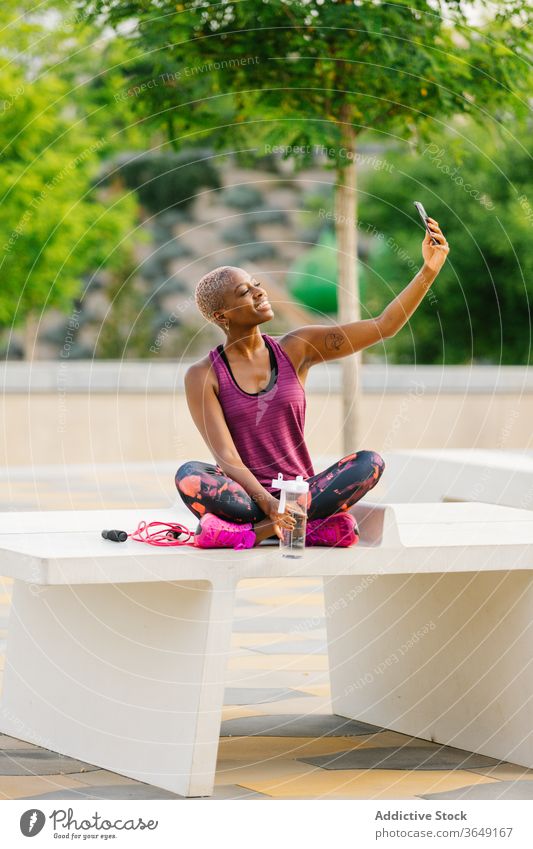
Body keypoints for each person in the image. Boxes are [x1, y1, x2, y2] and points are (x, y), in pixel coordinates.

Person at [176, 217, 449, 549]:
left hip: (302, 491)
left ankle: (255, 533)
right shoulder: (203, 374)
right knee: (190, 475)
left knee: (369, 463)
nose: (260, 291)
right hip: (248, 498)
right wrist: (270, 506)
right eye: (245, 291)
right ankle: (304, 526)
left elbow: (383, 326)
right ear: (222, 316)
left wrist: (429, 270)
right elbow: (227, 458)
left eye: (256, 283)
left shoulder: (298, 348)